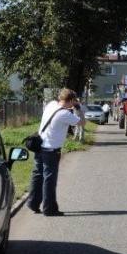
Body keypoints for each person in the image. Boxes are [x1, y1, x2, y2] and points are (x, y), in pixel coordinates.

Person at [26, 88, 86, 217]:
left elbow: (61, 108)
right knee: (49, 179)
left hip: (40, 146)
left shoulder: (51, 105)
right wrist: (78, 108)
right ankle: (49, 209)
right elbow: (82, 122)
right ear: (70, 101)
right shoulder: (64, 115)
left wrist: (70, 107)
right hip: (51, 150)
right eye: (73, 101)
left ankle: (33, 203)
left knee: (37, 175)